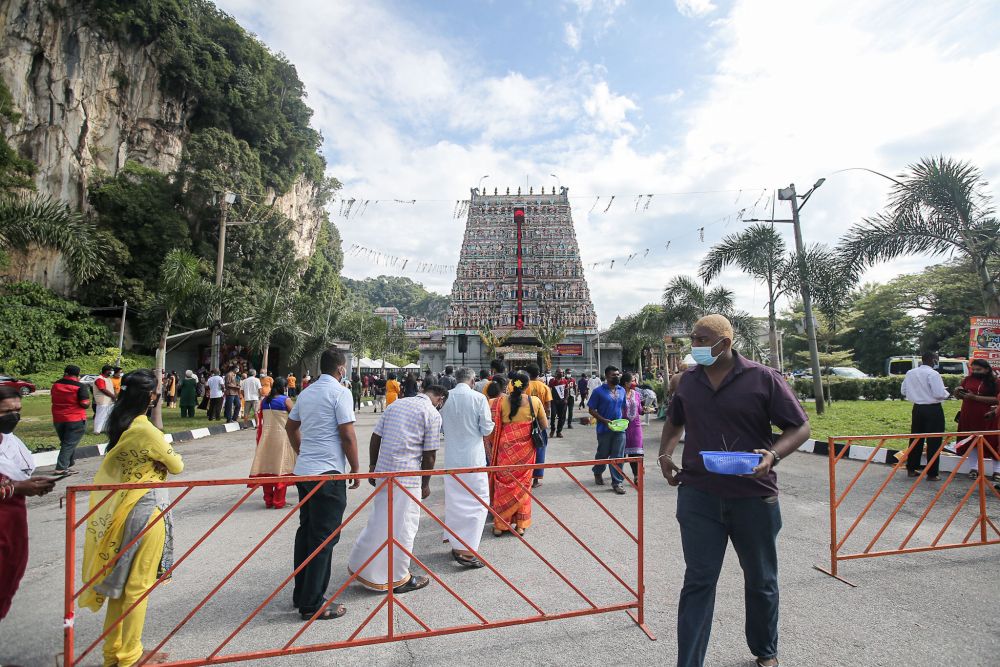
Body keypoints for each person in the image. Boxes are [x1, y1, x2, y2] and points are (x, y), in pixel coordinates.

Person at [657, 315, 810, 667]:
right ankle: (689, 662)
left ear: (724, 343)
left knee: (761, 579)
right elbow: (674, 421)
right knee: (698, 581)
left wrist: (773, 454)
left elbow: (800, 427)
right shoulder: (688, 382)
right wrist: (665, 454)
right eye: (693, 337)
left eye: (702, 338)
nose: (694, 343)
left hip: (753, 495)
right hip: (698, 494)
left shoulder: (762, 378)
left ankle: (765, 650)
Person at [80, 370, 184, 667]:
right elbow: (176, 465)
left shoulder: (120, 424)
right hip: (147, 507)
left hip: (125, 508)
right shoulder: (146, 430)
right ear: (150, 397)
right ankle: (131, 655)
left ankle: (114, 653)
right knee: (138, 586)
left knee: (122, 584)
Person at [347, 385, 447, 593]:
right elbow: (429, 454)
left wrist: (374, 466)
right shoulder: (431, 413)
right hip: (407, 478)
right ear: (440, 399)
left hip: (385, 472)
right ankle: (397, 577)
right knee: (403, 527)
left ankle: (363, 568)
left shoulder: (396, 405)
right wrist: (425, 483)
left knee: (380, 521)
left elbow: (376, 437)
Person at [285, 348, 360, 620]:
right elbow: (348, 435)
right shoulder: (340, 392)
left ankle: (301, 592)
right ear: (341, 369)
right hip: (328, 473)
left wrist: (302, 451)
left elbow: (291, 428)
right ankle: (313, 603)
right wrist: (355, 467)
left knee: (307, 532)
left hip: (304, 472)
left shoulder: (307, 392)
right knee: (323, 538)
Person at [0, 385, 57, 621]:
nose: (14, 417)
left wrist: (29, 485)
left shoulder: (8, 442)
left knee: (6, 582)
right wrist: (19, 487)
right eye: (5, 412)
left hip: (12, 526)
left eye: (17, 410)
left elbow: (18, 475)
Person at [439, 368, 494, 567]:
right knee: (477, 503)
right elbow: (486, 428)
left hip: (452, 458)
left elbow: (441, 427)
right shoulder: (479, 398)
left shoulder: (446, 398)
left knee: (454, 503)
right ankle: (466, 551)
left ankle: (456, 543)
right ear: (472, 381)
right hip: (473, 458)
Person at [491, 370, 546, 536]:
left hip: (505, 450)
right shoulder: (534, 401)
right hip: (526, 451)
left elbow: (492, 426)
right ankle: (520, 525)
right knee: (522, 486)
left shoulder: (499, 402)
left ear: (510, 385)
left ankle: (500, 525)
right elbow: (543, 424)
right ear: (527, 386)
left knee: (503, 485)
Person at [901, 351, 950, 481]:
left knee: (916, 438)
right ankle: (932, 473)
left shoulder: (910, 373)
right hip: (933, 409)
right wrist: (946, 393)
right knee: (934, 440)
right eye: (937, 360)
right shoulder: (933, 374)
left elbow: (903, 391)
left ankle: (911, 468)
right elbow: (939, 394)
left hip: (917, 408)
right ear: (933, 360)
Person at [250, 377, 296, 509]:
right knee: (281, 467)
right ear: (284, 387)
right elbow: (296, 417)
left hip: (266, 438)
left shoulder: (265, 401)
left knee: (268, 468)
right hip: (282, 437)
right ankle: (279, 501)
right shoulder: (285, 400)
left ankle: (268, 500)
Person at [953, 359, 999, 481]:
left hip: (988, 415)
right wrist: (958, 392)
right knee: (971, 441)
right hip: (969, 415)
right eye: (973, 369)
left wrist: (975, 397)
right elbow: (960, 396)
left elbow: (997, 399)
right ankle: (974, 468)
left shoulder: (995, 382)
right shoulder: (968, 379)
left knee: (992, 442)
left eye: (978, 369)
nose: (975, 372)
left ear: (987, 369)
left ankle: (997, 471)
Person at [588, 365, 628, 494]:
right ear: (606, 376)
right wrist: (604, 420)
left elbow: (622, 407)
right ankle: (598, 471)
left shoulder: (622, 390)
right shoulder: (598, 391)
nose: (617, 377)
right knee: (603, 454)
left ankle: (617, 482)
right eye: (613, 375)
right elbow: (591, 409)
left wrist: (621, 420)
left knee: (618, 456)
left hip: (619, 428)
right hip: (604, 428)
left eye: (618, 374)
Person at [52, 364, 91, 473]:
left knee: (67, 442)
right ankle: (61, 468)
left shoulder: (56, 385)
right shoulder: (80, 386)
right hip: (75, 418)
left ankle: (69, 463)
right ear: (78, 374)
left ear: (66, 373)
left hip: (58, 418)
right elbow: (85, 403)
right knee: (69, 443)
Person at [523, 364, 552, 487]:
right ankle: (535, 480)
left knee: (525, 450)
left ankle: (525, 477)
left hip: (524, 421)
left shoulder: (523, 385)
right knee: (540, 448)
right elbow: (548, 407)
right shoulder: (544, 387)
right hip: (539, 422)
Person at [622, 372, 644, 479]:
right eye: (633, 381)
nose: (635, 383)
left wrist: (646, 410)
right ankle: (618, 476)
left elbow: (639, 410)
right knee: (621, 453)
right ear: (626, 383)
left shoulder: (637, 394)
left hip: (636, 426)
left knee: (637, 452)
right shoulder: (619, 394)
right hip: (623, 427)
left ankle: (637, 476)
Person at [93, 364, 117, 434]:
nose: (112, 372)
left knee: (108, 415)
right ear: (107, 371)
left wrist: (114, 396)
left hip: (109, 400)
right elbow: (102, 389)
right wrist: (113, 396)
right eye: (111, 371)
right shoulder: (100, 378)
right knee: (101, 415)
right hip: (102, 400)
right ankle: (97, 430)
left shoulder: (108, 379)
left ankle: (104, 429)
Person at [548, 369, 571, 438]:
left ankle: (559, 432)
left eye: (562, 373)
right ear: (556, 373)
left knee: (561, 417)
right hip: (554, 401)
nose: (561, 374)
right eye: (559, 372)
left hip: (562, 402)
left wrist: (566, 399)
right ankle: (552, 429)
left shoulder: (565, 381)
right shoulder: (552, 380)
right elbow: (549, 390)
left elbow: (567, 391)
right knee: (553, 416)